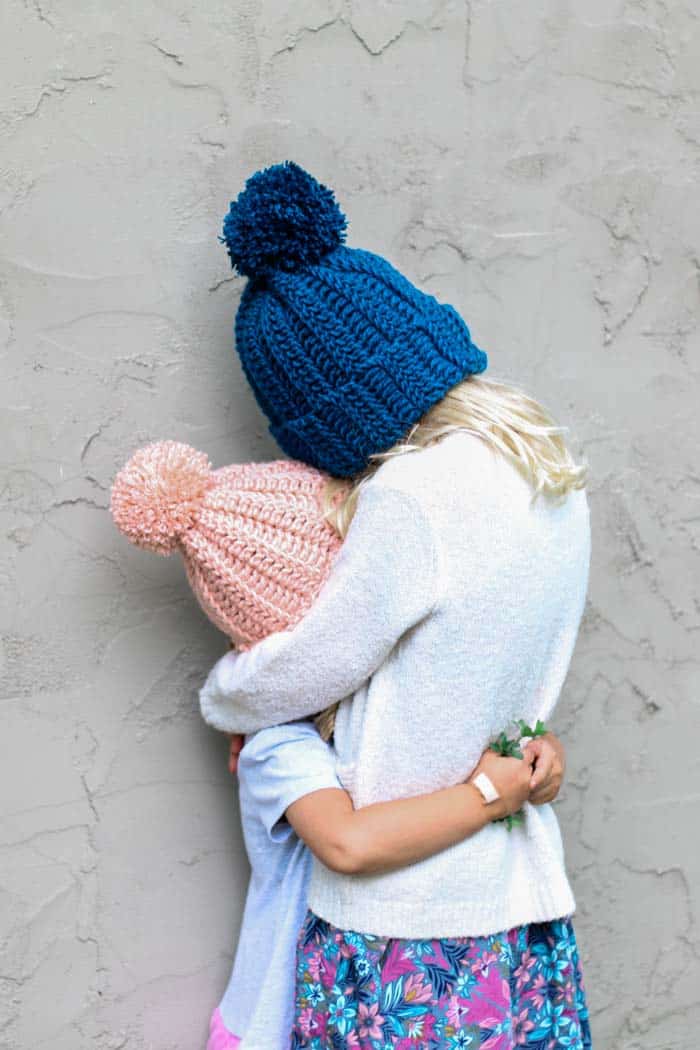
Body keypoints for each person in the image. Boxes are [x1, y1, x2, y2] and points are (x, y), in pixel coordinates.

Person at [199, 162, 592, 1048]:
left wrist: (229, 695)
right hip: (517, 895)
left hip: (409, 920)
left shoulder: (415, 497)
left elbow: (317, 659)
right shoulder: (551, 478)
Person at [110, 442, 566, 1050]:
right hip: (283, 1018)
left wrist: (538, 758)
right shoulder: (277, 744)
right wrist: (486, 797)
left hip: (359, 993)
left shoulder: (376, 705)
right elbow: (346, 842)